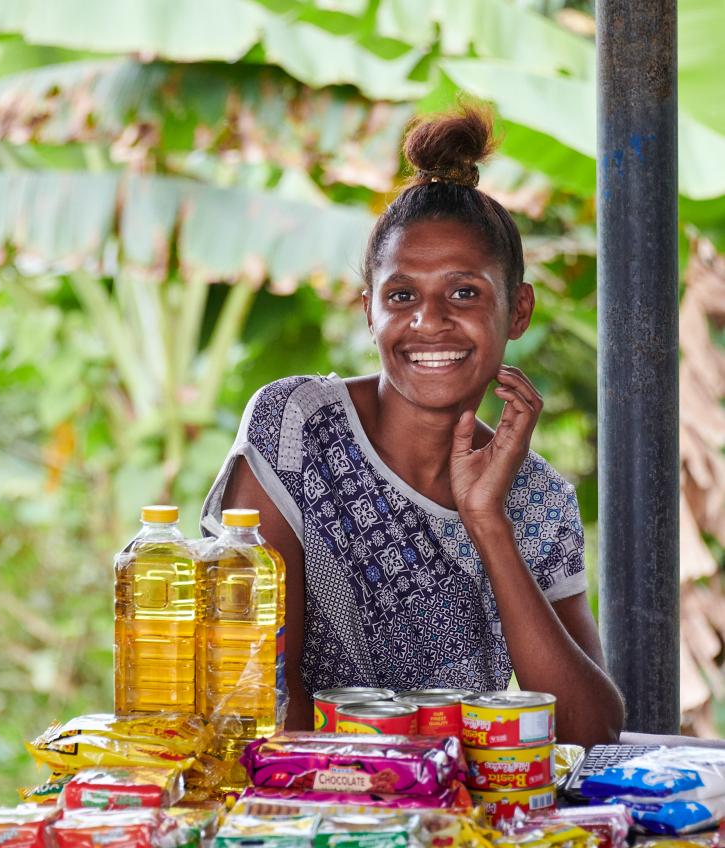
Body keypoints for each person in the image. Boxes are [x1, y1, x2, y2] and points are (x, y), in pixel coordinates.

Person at [202, 105, 624, 746]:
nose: (430, 322)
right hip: (303, 808)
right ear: (368, 309)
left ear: (518, 311)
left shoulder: (537, 500)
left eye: (464, 293)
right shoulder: (297, 429)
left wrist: (488, 523)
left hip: (455, 820)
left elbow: (591, 732)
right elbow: (258, 683)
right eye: (402, 296)